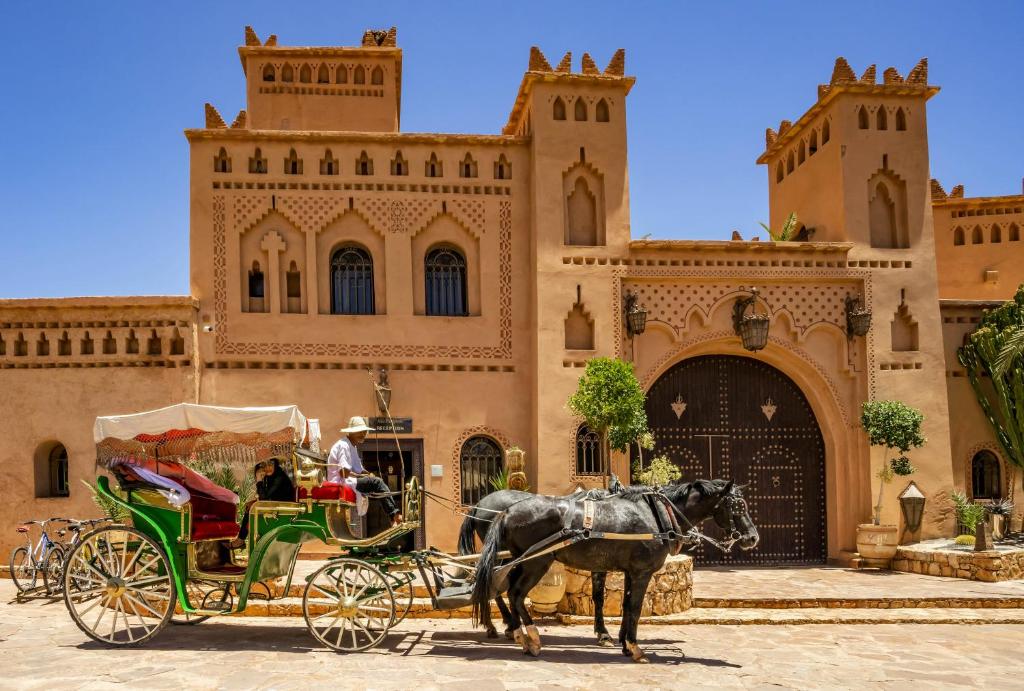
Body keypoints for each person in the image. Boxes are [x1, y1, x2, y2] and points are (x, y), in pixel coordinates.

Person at [327, 416, 403, 526]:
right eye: (360, 431)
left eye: (365, 431)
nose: (363, 434)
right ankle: (394, 516)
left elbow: (359, 470)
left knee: (377, 482)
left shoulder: (353, 446)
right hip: (342, 482)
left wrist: (369, 475)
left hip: (350, 480)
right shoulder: (343, 445)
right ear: (352, 432)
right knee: (377, 483)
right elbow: (344, 472)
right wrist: (363, 477)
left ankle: (394, 515)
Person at [229, 458, 295, 548]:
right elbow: (267, 497)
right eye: (264, 465)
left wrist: (259, 480)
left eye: (270, 464)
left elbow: (265, 498)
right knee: (250, 506)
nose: (267, 468)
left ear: (275, 464)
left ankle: (240, 540)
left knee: (252, 508)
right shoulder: (270, 478)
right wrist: (254, 501)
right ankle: (241, 540)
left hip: (284, 511)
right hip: (275, 507)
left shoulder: (279, 477)